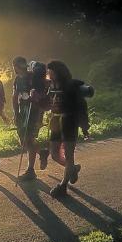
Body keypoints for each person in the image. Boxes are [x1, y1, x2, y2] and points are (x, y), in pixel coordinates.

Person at [42, 60, 86, 198]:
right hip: (55, 120)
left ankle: (63, 186)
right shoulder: (52, 85)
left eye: (50, 71)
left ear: (57, 71)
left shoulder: (71, 86)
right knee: (54, 154)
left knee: (68, 154)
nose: (48, 73)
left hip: (69, 121)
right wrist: (35, 99)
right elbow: (47, 104)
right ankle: (72, 169)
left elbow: (81, 106)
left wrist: (84, 126)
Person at [12, 57, 50, 181]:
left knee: (28, 138)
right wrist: (16, 113)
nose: (15, 69)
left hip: (34, 111)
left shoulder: (33, 77)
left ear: (16, 66)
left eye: (15, 66)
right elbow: (15, 96)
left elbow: (42, 91)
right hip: (23, 111)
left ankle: (30, 170)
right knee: (24, 139)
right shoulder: (18, 79)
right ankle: (41, 152)